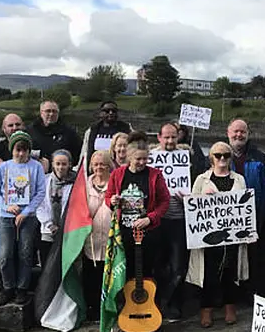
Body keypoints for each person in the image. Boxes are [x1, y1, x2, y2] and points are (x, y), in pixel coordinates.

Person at [187, 142, 248, 327]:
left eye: (226, 155)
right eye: (218, 155)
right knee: (209, 273)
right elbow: (193, 208)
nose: (222, 159)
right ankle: (206, 310)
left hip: (231, 236)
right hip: (207, 237)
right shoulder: (201, 180)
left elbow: (244, 207)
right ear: (211, 157)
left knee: (230, 271)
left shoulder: (239, 179)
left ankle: (230, 307)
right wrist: (203, 198)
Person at [0, 131, 46, 305]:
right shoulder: (4, 167)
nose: (21, 154)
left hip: (27, 217)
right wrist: (6, 206)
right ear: (12, 149)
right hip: (7, 216)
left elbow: (40, 192)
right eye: (17, 149)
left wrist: (26, 212)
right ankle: (8, 287)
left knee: (25, 253)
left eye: (24, 150)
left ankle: (22, 288)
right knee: (5, 254)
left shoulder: (35, 167)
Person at [106, 131, 170, 283]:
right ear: (129, 157)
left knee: (147, 272)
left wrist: (150, 218)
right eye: (138, 159)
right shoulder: (117, 174)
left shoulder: (155, 175)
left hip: (148, 233)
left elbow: (164, 201)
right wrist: (112, 201)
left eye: (145, 159)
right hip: (123, 232)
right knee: (124, 271)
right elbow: (108, 196)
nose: (142, 162)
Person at [152, 122, 193, 320]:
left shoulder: (188, 158)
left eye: (173, 137)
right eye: (166, 137)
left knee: (178, 266)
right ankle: (157, 303)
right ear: (159, 138)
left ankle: (174, 304)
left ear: (179, 137)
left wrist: (188, 197)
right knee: (158, 265)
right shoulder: (150, 158)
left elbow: (197, 185)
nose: (169, 141)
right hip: (157, 221)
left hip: (180, 219)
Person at [226, 119, 265, 298]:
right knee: (230, 258)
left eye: (242, 132)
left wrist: (262, 217)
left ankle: (255, 293)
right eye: (235, 131)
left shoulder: (258, 157)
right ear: (228, 133)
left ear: (248, 134)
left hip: (254, 215)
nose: (239, 135)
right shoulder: (218, 154)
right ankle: (232, 295)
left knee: (255, 257)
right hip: (226, 217)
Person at [83, 150, 113, 321]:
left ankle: (108, 307)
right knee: (91, 276)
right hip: (91, 239)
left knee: (108, 275)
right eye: (95, 164)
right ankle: (92, 308)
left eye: (102, 163)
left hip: (110, 238)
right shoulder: (85, 185)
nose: (99, 167)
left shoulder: (115, 183)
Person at [35, 150, 76, 269]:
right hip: (48, 231)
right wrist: (49, 224)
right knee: (48, 266)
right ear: (52, 164)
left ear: (69, 164)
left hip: (68, 231)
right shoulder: (44, 181)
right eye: (57, 164)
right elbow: (40, 205)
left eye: (64, 164)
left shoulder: (75, 183)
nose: (60, 167)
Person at [28, 100, 82, 167]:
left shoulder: (70, 132)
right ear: (41, 112)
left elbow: (78, 154)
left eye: (54, 111)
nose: (51, 114)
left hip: (63, 173)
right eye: (48, 111)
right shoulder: (30, 131)